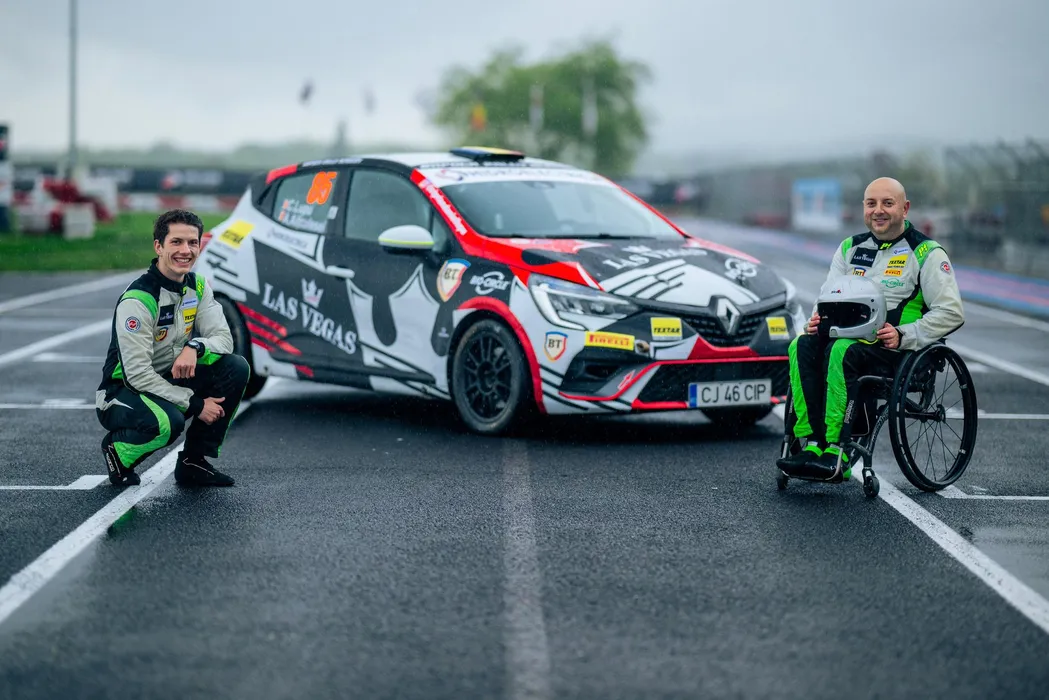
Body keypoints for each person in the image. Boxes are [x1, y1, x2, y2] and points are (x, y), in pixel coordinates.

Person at [777, 177, 965, 480]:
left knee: (841, 351)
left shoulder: (926, 252)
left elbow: (951, 312)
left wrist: (905, 335)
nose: (878, 210)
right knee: (801, 345)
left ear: (905, 208)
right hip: (847, 343)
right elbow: (826, 298)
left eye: (887, 203)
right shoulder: (850, 248)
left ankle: (836, 449)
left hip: (897, 351)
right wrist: (816, 320)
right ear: (864, 207)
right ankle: (811, 444)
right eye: (871, 203)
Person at [95, 209, 250, 487]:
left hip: (167, 378)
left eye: (192, 243)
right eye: (176, 242)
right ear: (159, 246)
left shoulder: (198, 286)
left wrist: (195, 347)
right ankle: (118, 452)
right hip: (122, 392)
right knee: (169, 422)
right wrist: (195, 403)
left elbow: (224, 340)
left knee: (235, 367)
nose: (185, 250)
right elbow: (137, 375)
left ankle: (193, 462)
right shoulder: (139, 299)